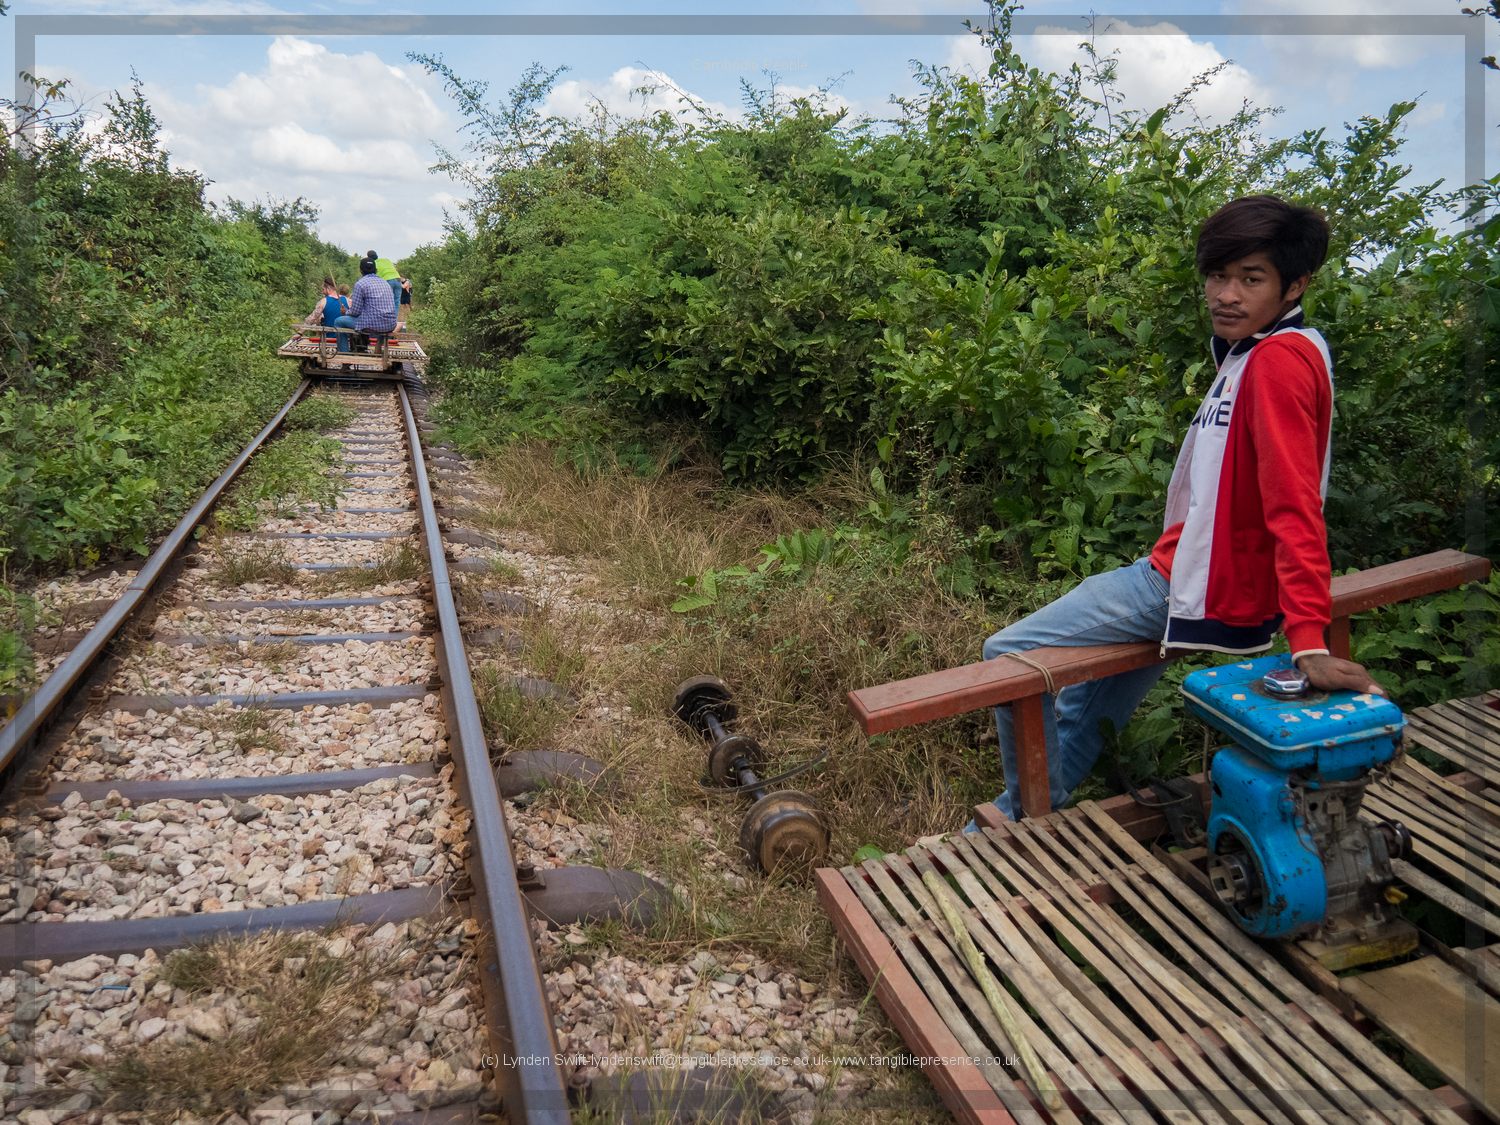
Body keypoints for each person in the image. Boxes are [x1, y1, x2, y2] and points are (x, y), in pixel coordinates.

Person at [975, 195, 1384, 825]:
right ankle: (1017, 819)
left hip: (1182, 582)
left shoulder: (1275, 362)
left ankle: (1009, 817)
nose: (1225, 294)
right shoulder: (1273, 347)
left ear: (1295, 284)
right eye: (1218, 276)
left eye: (1251, 279)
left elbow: (1294, 503)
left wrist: (1307, 639)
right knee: (1082, 707)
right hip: (1199, 572)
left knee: (1008, 656)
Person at [335, 257, 398, 349]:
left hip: (372, 325)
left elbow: (355, 312)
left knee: (339, 321)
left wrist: (346, 312)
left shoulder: (360, 284)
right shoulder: (385, 283)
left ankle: (344, 353)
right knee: (379, 320)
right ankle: (378, 348)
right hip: (390, 324)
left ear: (361, 270)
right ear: (376, 270)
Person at [303, 276, 349, 352]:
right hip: (345, 340)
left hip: (329, 339)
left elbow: (311, 318)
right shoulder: (348, 301)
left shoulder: (323, 302)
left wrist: (300, 332)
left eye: (323, 289)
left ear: (328, 288)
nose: (322, 292)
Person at [366, 250, 403, 322]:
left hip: (388, 280)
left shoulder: (374, 264)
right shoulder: (386, 260)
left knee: (387, 301)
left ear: (369, 258)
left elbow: (375, 277)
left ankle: (387, 320)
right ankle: (394, 320)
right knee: (396, 301)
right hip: (398, 279)